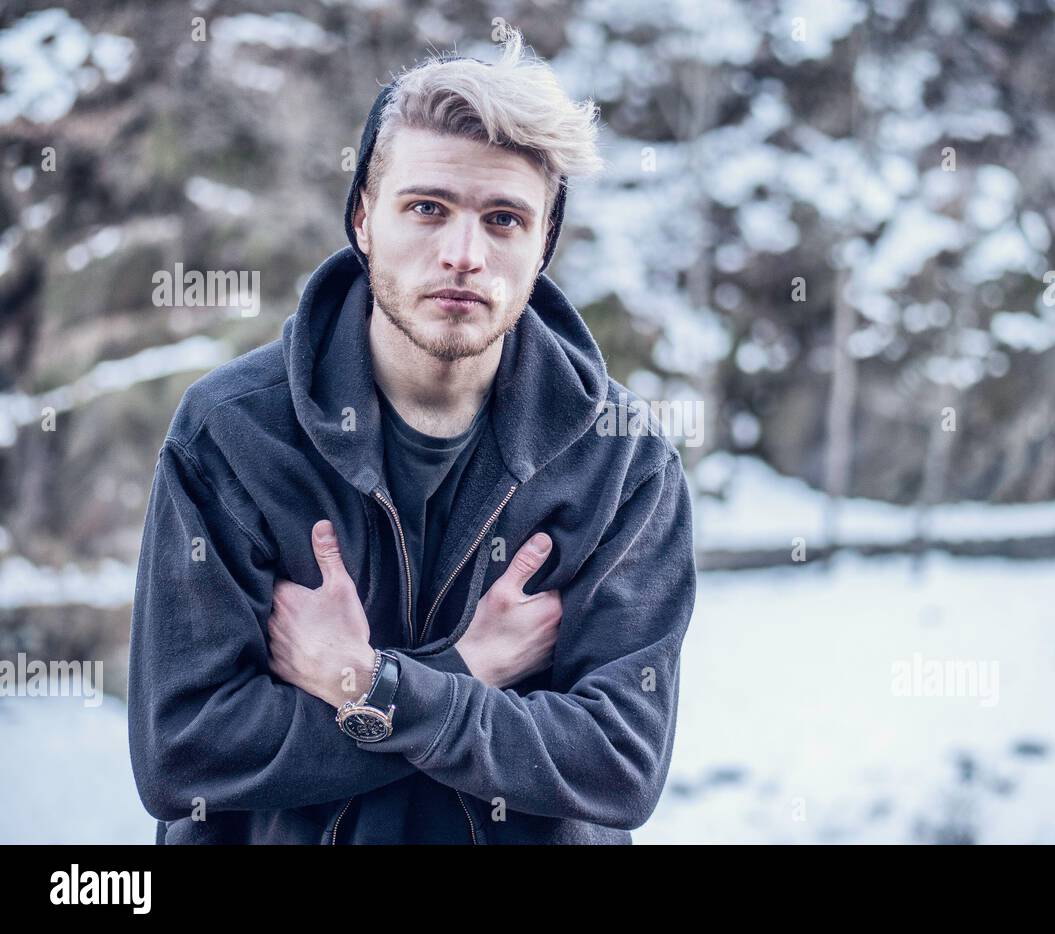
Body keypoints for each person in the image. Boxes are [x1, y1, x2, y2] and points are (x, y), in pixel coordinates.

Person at [126, 26, 697, 844]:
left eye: (504, 220)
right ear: (363, 218)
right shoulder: (232, 434)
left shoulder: (623, 461)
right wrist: (462, 677)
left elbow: (617, 764)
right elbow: (183, 754)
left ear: (544, 245)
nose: (464, 254)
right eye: (428, 208)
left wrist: (365, 684)